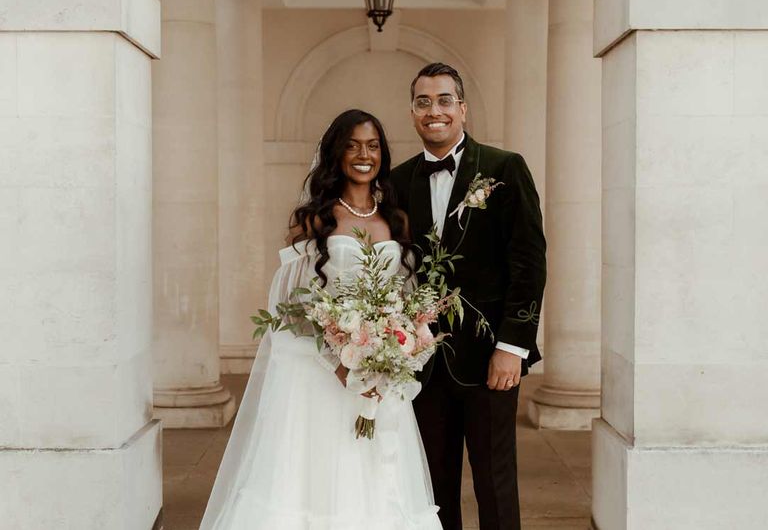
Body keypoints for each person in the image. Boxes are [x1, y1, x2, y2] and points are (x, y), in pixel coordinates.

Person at [200, 109, 442, 530]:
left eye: (372, 145)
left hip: (381, 380)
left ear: (382, 153)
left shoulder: (396, 220)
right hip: (322, 378)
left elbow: (405, 298)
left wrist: (396, 351)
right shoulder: (314, 219)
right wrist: (340, 358)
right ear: (336, 154)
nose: (363, 154)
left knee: (376, 485)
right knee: (321, 481)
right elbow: (288, 305)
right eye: (352, 145)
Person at [390, 62, 547, 530]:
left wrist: (511, 347)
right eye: (423, 101)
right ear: (413, 111)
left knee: (495, 484)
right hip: (423, 361)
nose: (433, 110)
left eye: (443, 100)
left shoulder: (504, 167)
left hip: (490, 359)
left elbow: (529, 264)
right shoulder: (397, 182)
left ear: (462, 108)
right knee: (433, 488)